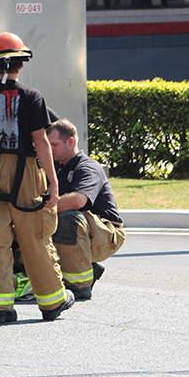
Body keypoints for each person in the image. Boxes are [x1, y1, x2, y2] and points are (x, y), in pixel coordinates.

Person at [0, 32, 73, 324]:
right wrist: (53, 182)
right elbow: (41, 142)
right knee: (36, 236)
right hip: (26, 172)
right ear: (20, 63)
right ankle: (52, 303)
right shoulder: (32, 97)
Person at [46, 118, 126, 300]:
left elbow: (78, 201)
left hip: (106, 234)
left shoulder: (88, 167)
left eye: (54, 144)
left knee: (68, 217)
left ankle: (79, 285)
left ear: (71, 141)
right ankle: (83, 267)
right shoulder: (58, 168)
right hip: (87, 232)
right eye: (47, 145)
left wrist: (38, 210)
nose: (50, 150)